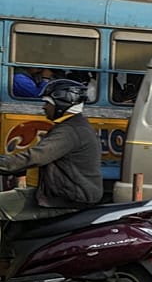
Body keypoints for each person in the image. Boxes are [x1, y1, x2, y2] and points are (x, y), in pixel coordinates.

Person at [0, 79, 104, 254]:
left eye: (47, 103)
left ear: (62, 104)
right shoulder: (74, 126)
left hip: (65, 198)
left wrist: (7, 164)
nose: (43, 108)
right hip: (63, 193)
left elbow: (34, 157)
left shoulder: (69, 131)